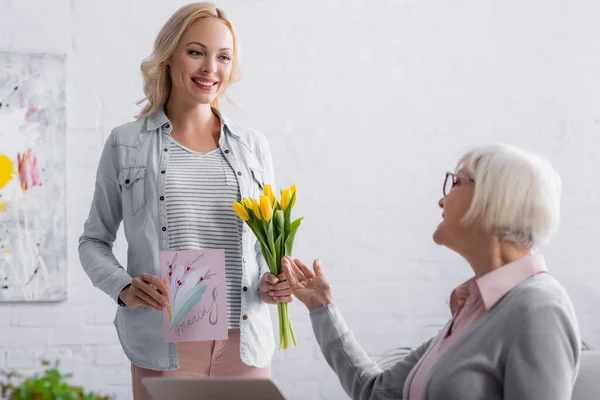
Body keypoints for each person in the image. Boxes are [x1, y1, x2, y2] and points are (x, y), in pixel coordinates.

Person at [78, 3, 292, 399]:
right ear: (169, 55)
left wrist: (274, 281)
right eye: (196, 51)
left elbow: (265, 248)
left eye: (223, 56)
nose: (211, 67)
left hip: (245, 345)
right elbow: (93, 241)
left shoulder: (254, 148)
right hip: (164, 348)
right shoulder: (126, 143)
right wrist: (123, 286)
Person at [283, 144, 581, 400]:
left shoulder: (538, 309)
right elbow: (378, 392)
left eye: (456, 182)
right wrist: (322, 308)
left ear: (494, 199)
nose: (442, 199)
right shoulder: (475, 309)